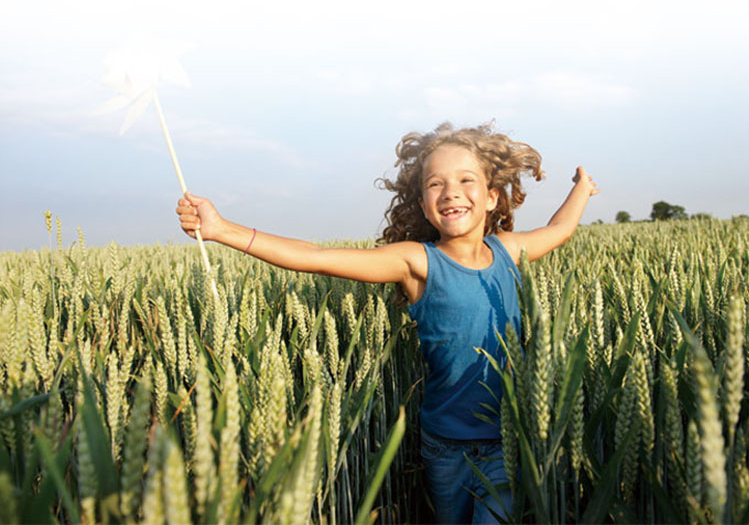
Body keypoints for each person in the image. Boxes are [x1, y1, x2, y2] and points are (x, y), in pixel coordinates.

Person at [175, 122, 599, 524]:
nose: (451, 191)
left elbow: (560, 229)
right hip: (445, 445)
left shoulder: (509, 251)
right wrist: (222, 230)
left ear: (491, 196)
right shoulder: (417, 262)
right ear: (423, 206)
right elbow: (316, 257)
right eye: (436, 184)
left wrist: (581, 188)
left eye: (466, 180)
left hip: (506, 438)